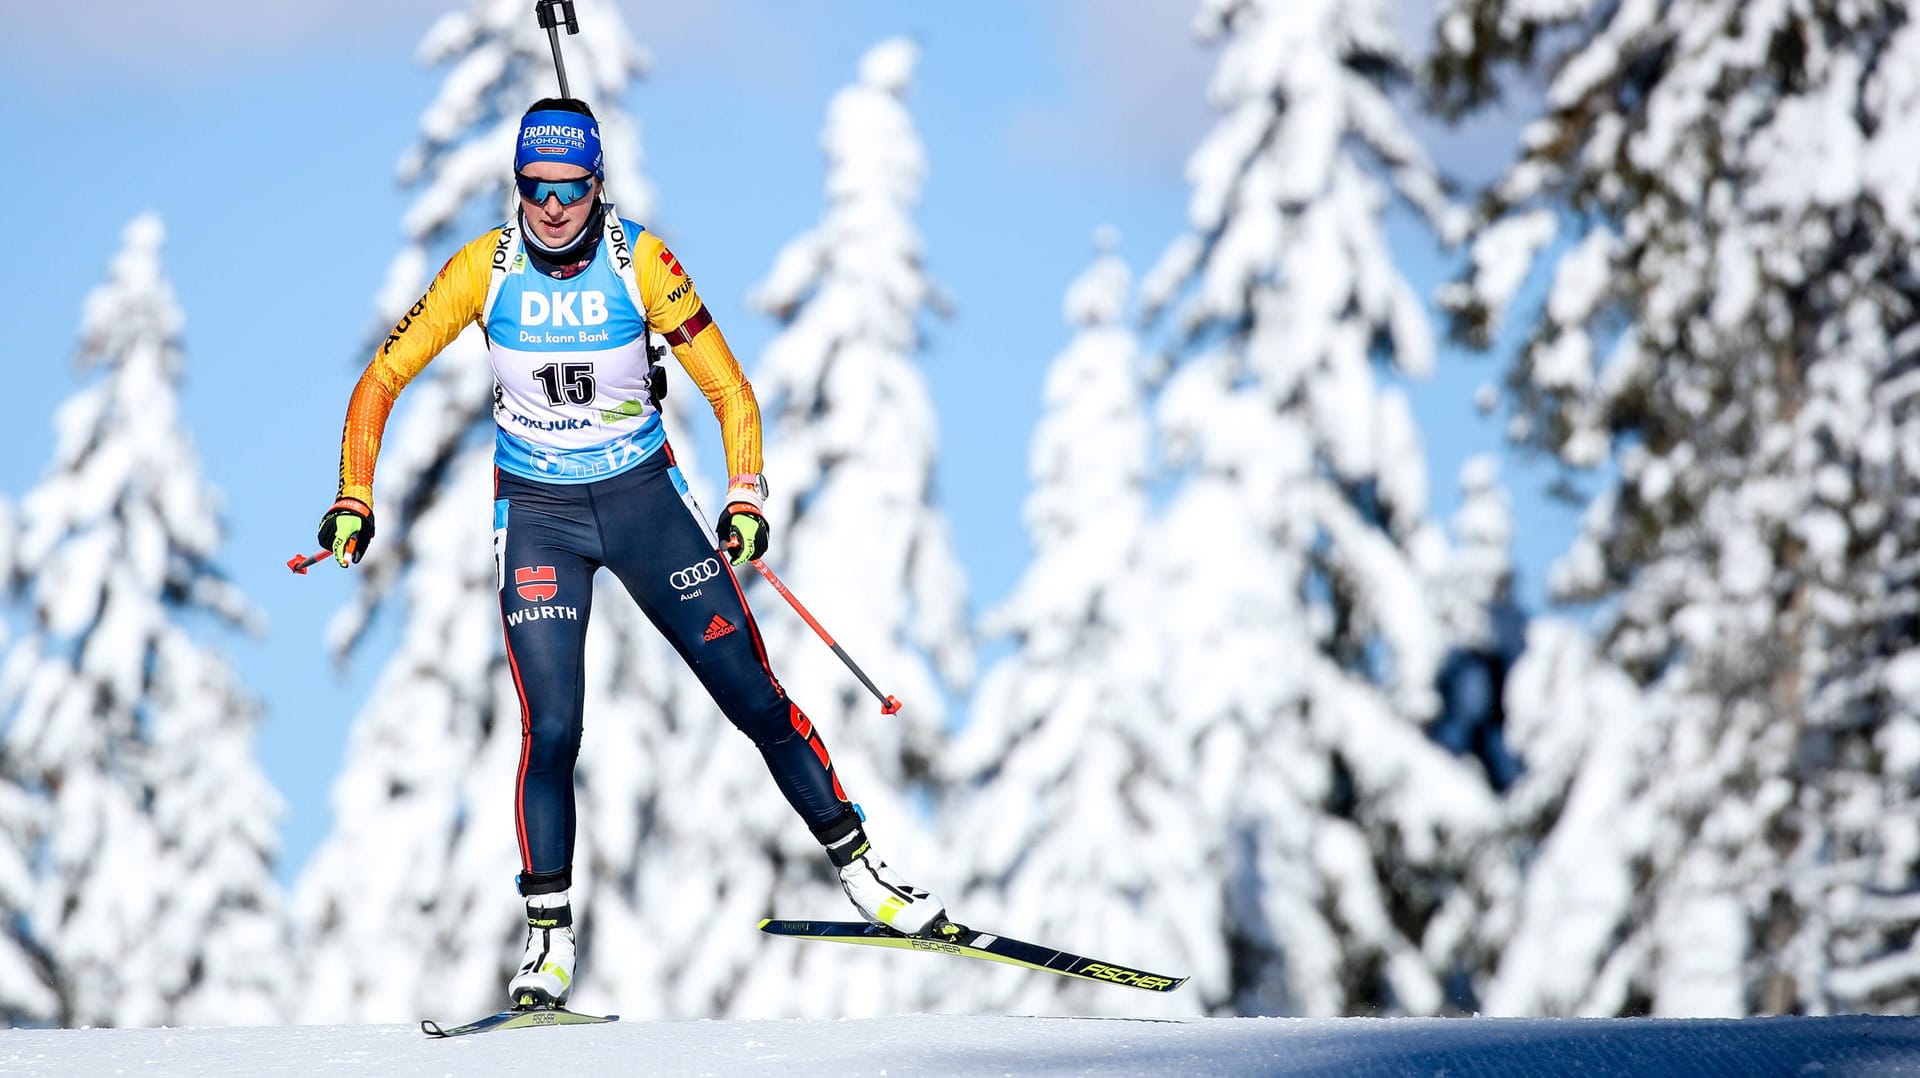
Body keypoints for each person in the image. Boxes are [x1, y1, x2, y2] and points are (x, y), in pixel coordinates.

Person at [317, 97, 948, 1010]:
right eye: (536, 189)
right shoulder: (481, 271)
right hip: (539, 514)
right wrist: (354, 494)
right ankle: (547, 940)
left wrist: (744, 495)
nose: (553, 209)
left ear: (598, 186)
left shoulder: (638, 261)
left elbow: (729, 387)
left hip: (643, 502)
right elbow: (381, 379)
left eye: (571, 189)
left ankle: (863, 870)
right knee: (554, 727)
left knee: (752, 694)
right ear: (518, 188)